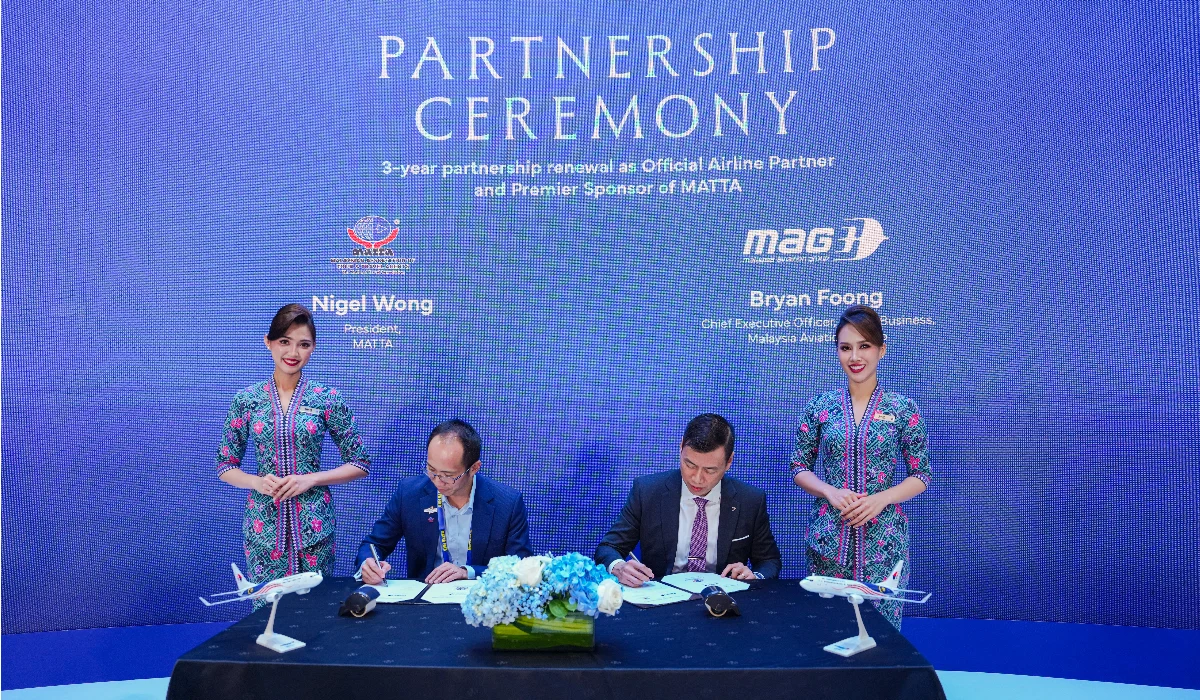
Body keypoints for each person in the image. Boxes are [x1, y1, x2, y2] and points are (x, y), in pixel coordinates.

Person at [790, 304, 931, 629]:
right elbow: (799, 466)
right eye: (846, 348)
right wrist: (830, 491)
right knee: (830, 631)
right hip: (828, 540)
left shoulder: (902, 409)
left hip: (885, 544)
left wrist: (881, 499)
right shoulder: (821, 407)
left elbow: (921, 474)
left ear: (881, 349)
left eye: (864, 346)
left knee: (881, 638)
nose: (855, 356)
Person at [216, 303, 371, 591]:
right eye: (284, 342)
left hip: (315, 529)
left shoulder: (327, 398)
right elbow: (225, 465)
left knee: (314, 609)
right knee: (267, 609)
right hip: (263, 530)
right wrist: (257, 482)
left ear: (313, 348)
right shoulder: (247, 400)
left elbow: (359, 462)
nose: (293, 352)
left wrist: (310, 479)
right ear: (269, 342)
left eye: (303, 344)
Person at [595, 414, 782, 587]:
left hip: (722, 599)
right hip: (662, 598)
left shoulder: (750, 500)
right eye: (689, 464)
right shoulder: (647, 492)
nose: (697, 478)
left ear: (729, 461)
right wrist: (619, 567)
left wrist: (754, 577)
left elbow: (769, 561)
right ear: (681, 446)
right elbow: (608, 547)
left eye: (710, 470)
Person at [356, 420, 533, 584]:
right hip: (425, 598)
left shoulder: (507, 503)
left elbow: (521, 567)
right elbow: (374, 544)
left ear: (474, 468)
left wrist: (469, 572)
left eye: (448, 476)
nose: (437, 481)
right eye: (431, 470)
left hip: (482, 598)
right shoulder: (409, 493)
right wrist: (368, 564)